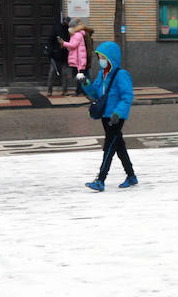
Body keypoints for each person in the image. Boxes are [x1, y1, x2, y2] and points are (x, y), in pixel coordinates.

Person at [78, 40, 137, 191]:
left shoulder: (121, 75)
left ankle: (101, 180)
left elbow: (127, 96)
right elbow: (95, 94)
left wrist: (118, 113)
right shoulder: (101, 74)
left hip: (116, 117)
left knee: (109, 147)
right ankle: (131, 176)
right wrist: (85, 83)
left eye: (104, 57)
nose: (101, 60)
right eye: (99, 57)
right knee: (119, 146)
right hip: (105, 115)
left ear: (111, 58)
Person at [60, 20, 89, 96]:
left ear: (74, 27)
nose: (69, 28)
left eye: (70, 26)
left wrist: (64, 43)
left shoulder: (77, 35)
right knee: (78, 76)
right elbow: (72, 46)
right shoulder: (74, 35)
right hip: (77, 58)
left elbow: (73, 45)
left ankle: (81, 91)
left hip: (78, 59)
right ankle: (81, 91)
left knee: (79, 75)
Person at [45, 18, 70, 94]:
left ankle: (65, 90)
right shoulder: (56, 28)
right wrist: (50, 52)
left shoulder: (70, 30)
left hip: (65, 55)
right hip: (55, 55)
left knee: (65, 73)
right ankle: (49, 90)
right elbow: (50, 40)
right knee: (52, 72)